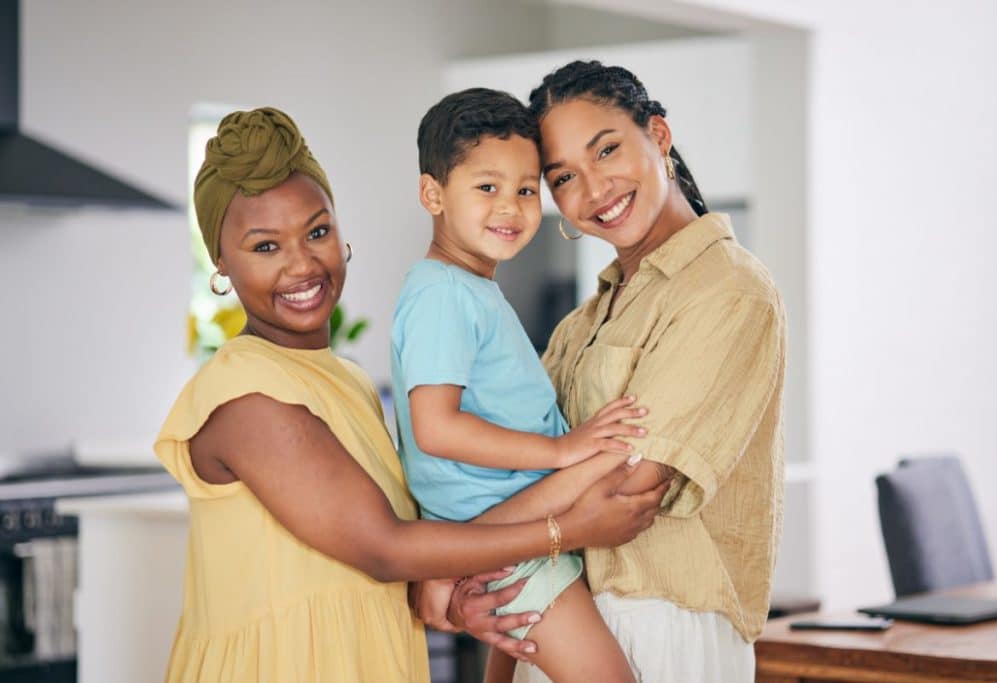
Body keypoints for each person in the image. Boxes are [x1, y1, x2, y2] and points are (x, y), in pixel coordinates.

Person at [153, 106, 669, 683]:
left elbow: (366, 556)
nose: (303, 264)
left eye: (318, 232)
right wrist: (571, 529)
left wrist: (449, 600)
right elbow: (384, 548)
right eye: (265, 247)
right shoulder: (244, 396)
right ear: (220, 263)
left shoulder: (346, 382)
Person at [417, 61, 787, 683]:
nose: (594, 190)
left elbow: (629, 485)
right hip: (560, 622)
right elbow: (522, 495)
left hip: (663, 630)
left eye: (607, 149)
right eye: (564, 176)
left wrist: (448, 555)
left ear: (659, 137)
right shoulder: (582, 323)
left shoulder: (728, 291)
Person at [391, 88, 648, 683]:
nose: (510, 207)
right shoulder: (442, 295)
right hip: (509, 537)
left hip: (511, 532)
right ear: (433, 194)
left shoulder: (468, 288)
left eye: (526, 190)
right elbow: (435, 427)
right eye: (487, 187)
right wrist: (562, 451)